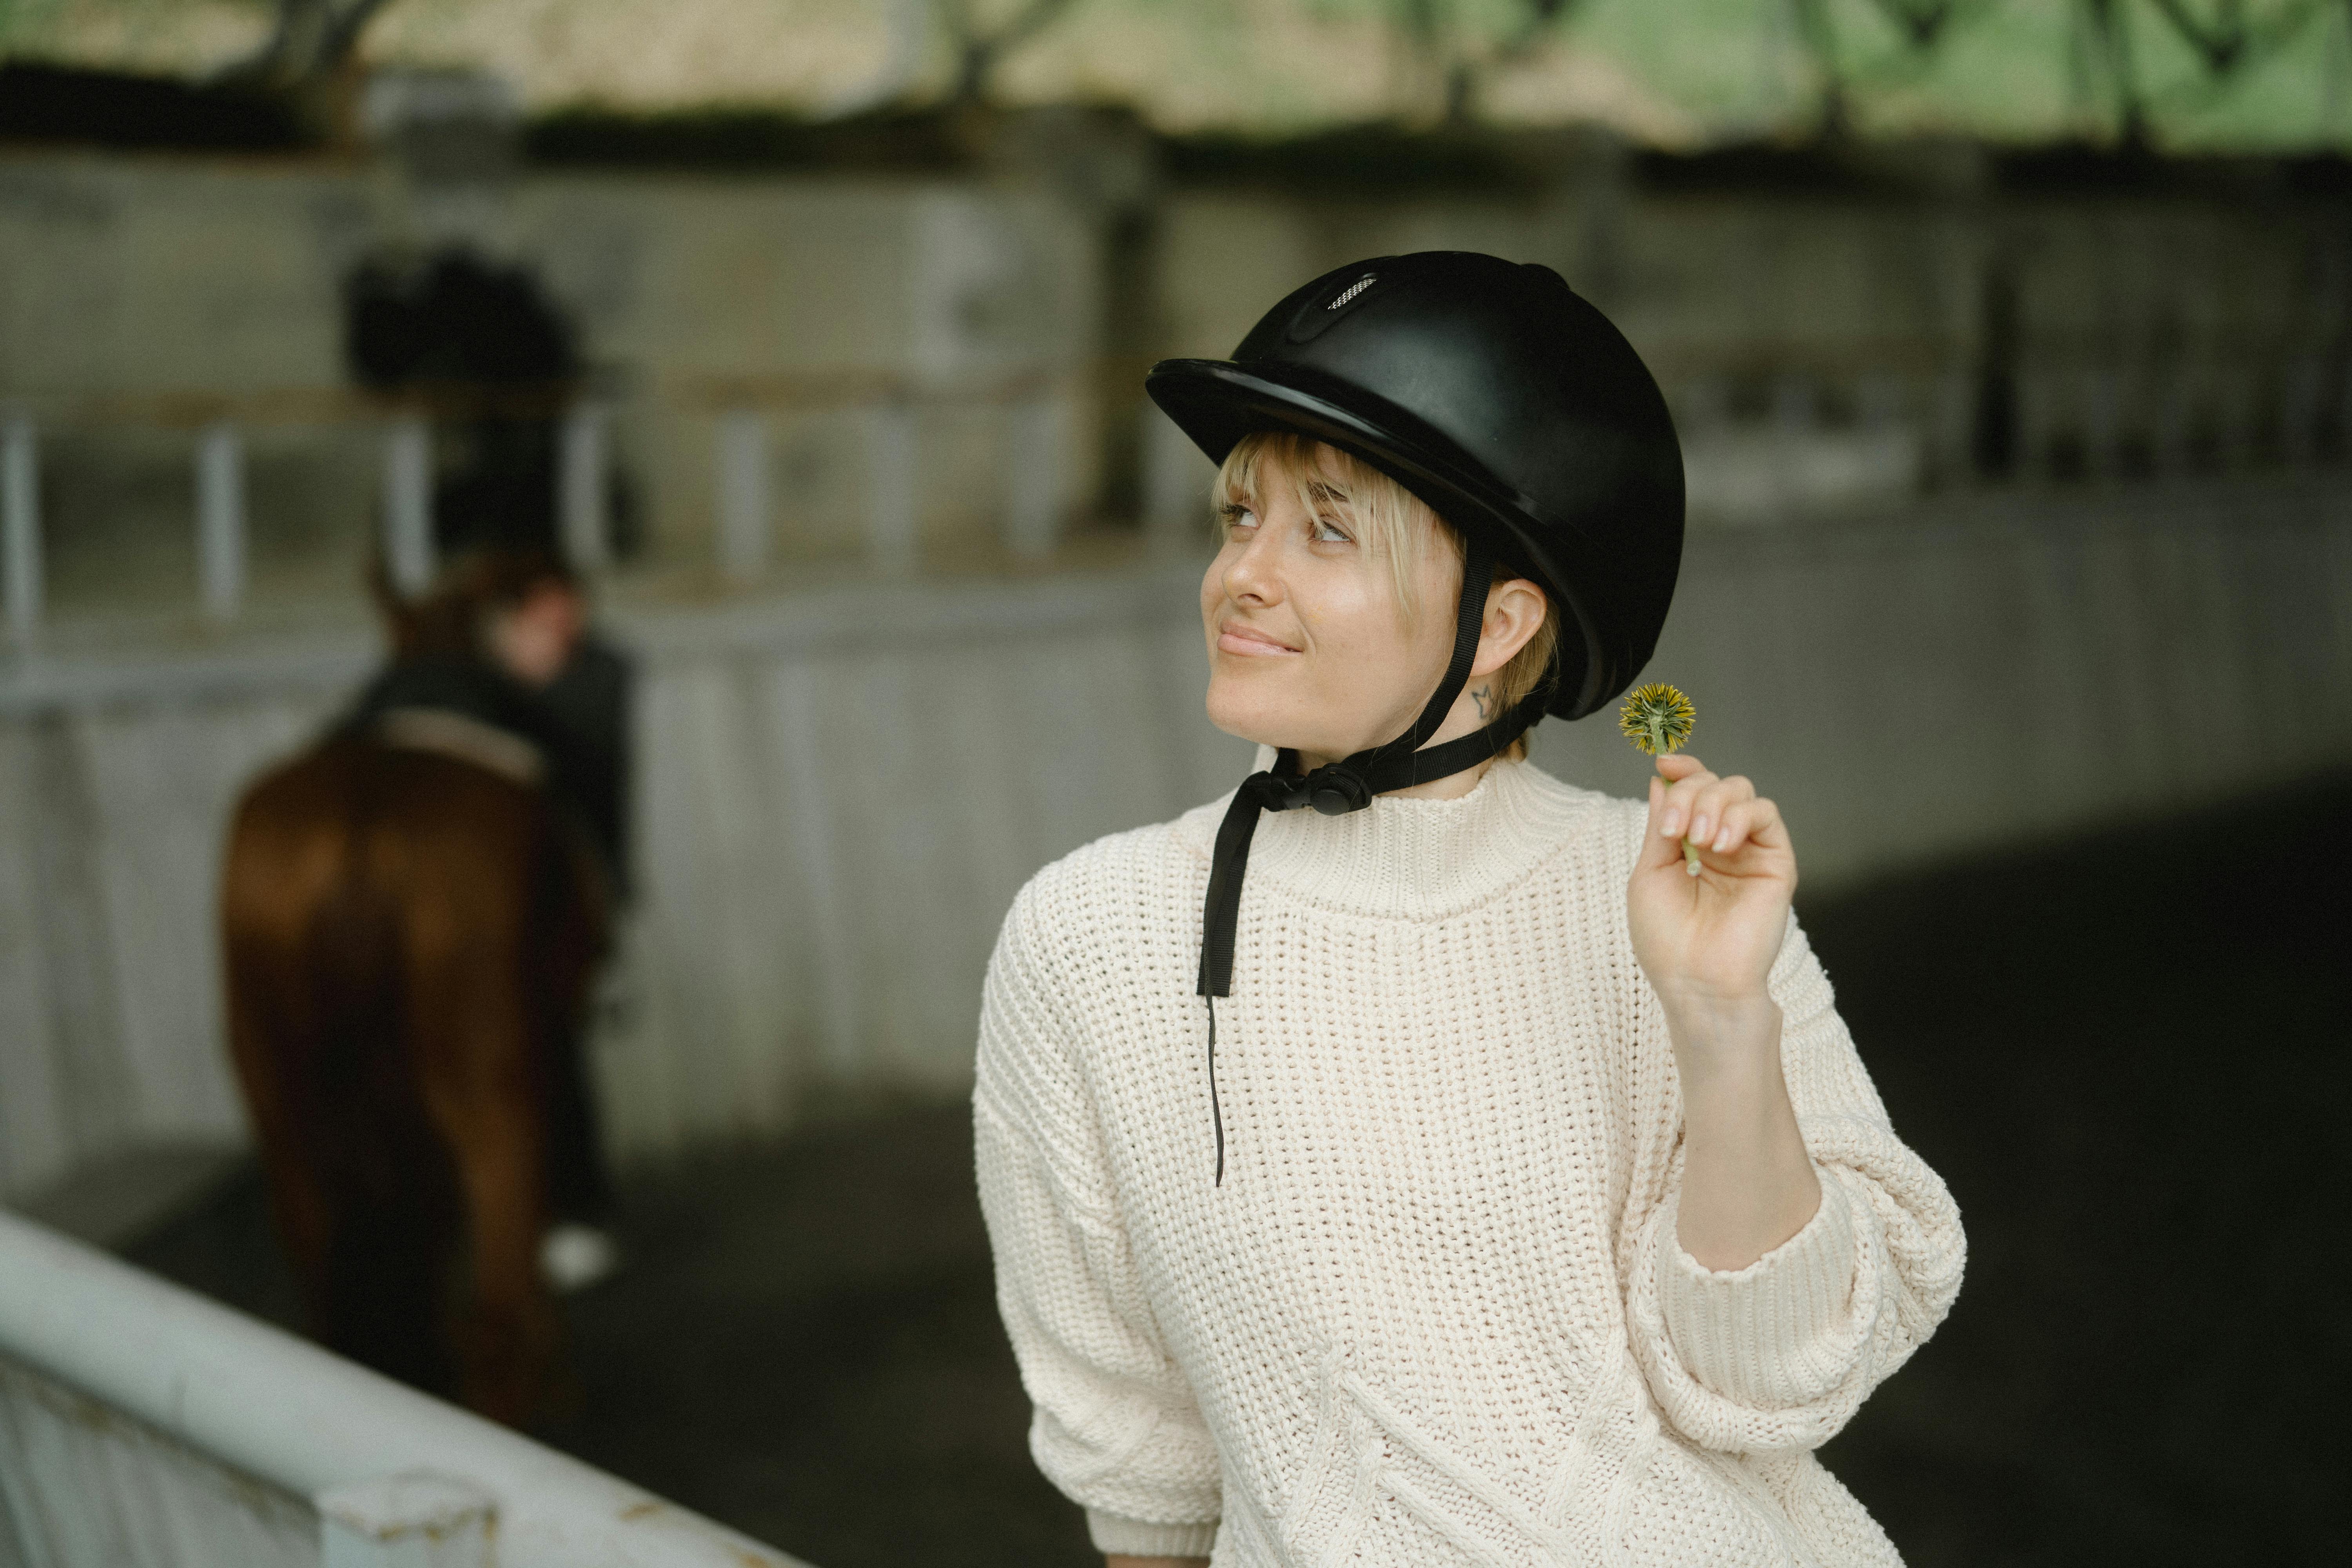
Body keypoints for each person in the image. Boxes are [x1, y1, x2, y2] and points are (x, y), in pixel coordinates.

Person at [973, 253, 1964, 1566]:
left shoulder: (1680, 899)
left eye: (1327, 528)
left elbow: (1776, 1382)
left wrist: (1721, 1018)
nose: (1242, 577)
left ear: (1500, 621)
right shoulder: (1087, 940)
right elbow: (1138, 1454)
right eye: (1239, 517)